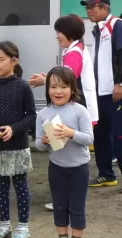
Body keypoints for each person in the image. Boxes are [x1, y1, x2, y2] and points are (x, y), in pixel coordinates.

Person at [29, 14, 98, 210]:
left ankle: (71, 199)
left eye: (58, 32)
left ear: (67, 32)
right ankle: (67, 197)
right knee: (63, 148)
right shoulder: (75, 49)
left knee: (71, 151)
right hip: (78, 105)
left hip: (76, 107)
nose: (56, 36)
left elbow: (68, 78)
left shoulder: (74, 52)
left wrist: (45, 80)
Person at [0, 41, 36, 238]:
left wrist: (14, 128)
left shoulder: (22, 86)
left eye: (1, 59)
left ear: (14, 61)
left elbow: (31, 116)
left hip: (18, 145)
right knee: (0, 187)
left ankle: (23, 225)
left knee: (21, 186)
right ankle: (4, 224)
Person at [35, 66, 93, 238]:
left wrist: (71, 133)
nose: (58, 91)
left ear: (72, 89)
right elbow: (38, 145)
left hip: (79, 167)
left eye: (63, 87)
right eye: (53, 87)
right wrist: (44, 140)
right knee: (59, 204)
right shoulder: (43, 114)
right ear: (47, 89)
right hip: (56, 167)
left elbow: (89, 139)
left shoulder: (80, 111)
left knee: (76, 205)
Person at [80, 0, 122, 187]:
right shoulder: (97, 29)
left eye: (92, 7)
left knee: (119, 136)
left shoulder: (117, 25)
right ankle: (106, 174)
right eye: (87, 8)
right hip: (100, 93)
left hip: (115, 93)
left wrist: (120, 84)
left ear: (105, 7)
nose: (89, 10)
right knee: (100, 134)